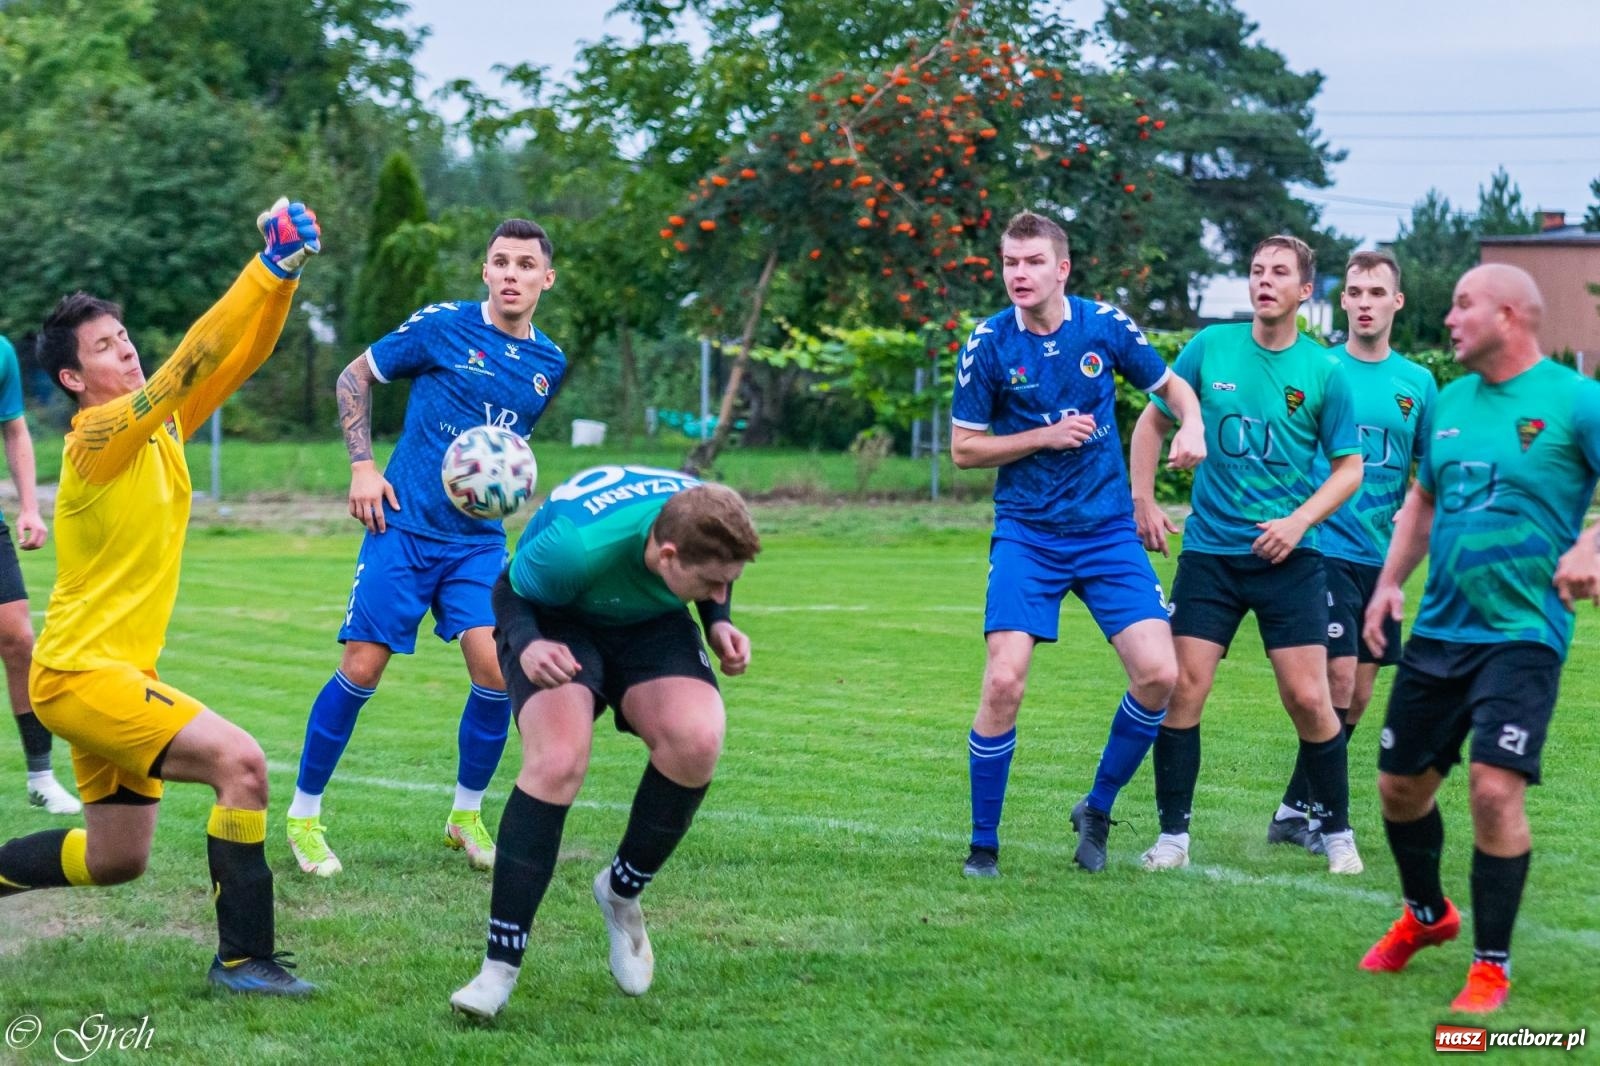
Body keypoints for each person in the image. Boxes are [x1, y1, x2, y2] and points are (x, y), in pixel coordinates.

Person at [0, 200, 322, 994]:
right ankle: (244, 961)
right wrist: (265, 264)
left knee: (116, 860)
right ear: (74, 380)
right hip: (80, 678)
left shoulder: (163, 428)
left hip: (103, 676)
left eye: (124, 337)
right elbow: (188, 361)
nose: (128, 351)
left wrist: (284, 283)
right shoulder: (97, 439)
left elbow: (236, 358)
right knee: (241, 764)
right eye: (106, 348)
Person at [286, 219, 567, 878]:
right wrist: (363, 466)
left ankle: (464, 815)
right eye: (500, 261)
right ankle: (303, 815)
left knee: (497, 673)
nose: (511, 274)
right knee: (362, 668)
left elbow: (504, 452)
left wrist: (505, 488)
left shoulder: (546, 365)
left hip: (476, 543)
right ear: (484, 271)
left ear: (545, 279)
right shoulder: (442, 326)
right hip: (402, 527)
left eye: (525, 265)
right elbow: (353, 379)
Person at [1357, 263, 1600, 1013]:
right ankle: (1428, 918)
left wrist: (1592, 545)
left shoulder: (1577, 401)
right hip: (1440, 632)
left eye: (1463, 305)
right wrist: (1390, 581)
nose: (1449, 319)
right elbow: (1423, 502)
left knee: (1494, 790)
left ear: (1509, 315)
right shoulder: (1452, 403)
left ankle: (1490, 965)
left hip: (1523, 632)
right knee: (1399, 790)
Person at [449, 465, 760, 1019]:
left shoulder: (701, 513)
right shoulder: (577, 547)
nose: (720, 590)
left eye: (727, 582)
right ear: (667, 555)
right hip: (554, 620)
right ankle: (498, 970)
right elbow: (508, 588)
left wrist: (717, 620)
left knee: (698, 738)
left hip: (649, 622)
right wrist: (526, 646)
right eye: (710, 583)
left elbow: (716, 572)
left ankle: (620, 893)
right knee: (558, 760)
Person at [948, 210, 1204, 877]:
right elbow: (964, 450)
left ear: (1062, 268)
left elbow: (1172, 386)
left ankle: (1096, 806)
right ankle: (983, 847)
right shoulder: (988, 344)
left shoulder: (1105, 327)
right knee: (1003, 679)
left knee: (1160, 675)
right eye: (1009, 262)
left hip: (1106, 530)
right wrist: (1042, 435)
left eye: (1032, 262)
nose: (1018, 274)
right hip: (1028, 534)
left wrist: (1192, 425)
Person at [1131, 234, 1365, 875]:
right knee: (1183, 690)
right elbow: (1152, 421)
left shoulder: (1325, 371)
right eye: (1257, 270)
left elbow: (1350, 470)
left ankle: (1337, 832)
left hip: (1291, 559)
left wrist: (1297, 522)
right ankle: (1173, 838)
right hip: (1210, 554)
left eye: (1279, 272)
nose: (1264, 280)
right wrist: (1143, 500)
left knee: (1310, 699)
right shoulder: (1210, 347)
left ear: (1304, 291)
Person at [1267, 251, 1437, 853]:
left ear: (1397, 303)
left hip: (1381, 560)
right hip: (1321, 548)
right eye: (1355, 292)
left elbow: (1431, 466)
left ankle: (1293, 807)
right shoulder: (1319, 368)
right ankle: (1322, 820)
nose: (1364, 302)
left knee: (1359, 695)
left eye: (1376, 293)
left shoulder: (1417, 383)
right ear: (1342, 301)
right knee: (1336, 681)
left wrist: (1413, 502)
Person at [0, 332, 77, 814]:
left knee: (19, 639)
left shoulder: (2, 353)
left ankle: (41, 777)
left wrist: (30, 507)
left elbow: (14, 429)